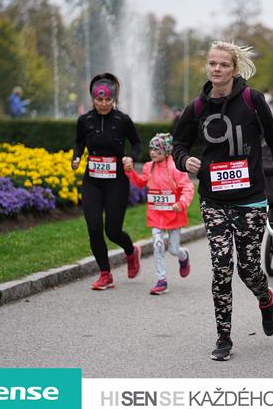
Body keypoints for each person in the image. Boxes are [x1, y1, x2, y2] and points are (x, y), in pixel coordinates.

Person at [172, 41, 273, 361]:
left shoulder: (252, 100)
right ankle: (223, 337)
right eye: (212, 63)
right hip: (213, 199)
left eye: (223, 64)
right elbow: (179, 145)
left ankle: (265, 299)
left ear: (235, 69)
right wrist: (185, 160)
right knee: (221, 267)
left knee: (248, 269)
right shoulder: (197, 108)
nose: (216, 69)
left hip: (250, 199)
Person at [72, 73, 143, 290]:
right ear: (93, 99)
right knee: (94, 228)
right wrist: (76, 157)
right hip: (92, 181)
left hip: (116, 181)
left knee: (112, 231)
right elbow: (79, 142)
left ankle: (131, 251)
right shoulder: (85, 120)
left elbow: (137, 143)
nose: (103, 104)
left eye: (108, 99)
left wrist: (131, 157)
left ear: (114, 99)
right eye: (99, 99)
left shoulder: (122, 120)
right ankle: (105, 274)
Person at [124, 133, 193, 294]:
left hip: (173, 214)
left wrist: (181, 203)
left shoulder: (175, 168)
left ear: (166, 151)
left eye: (157, 150)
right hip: (155, 215)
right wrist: (130, 172)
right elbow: (141, 183)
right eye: (151, 149)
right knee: (158, 245)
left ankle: (184, 256)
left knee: (173, 250)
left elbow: (188, 187)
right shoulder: (149, 167)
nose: (153, 153)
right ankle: (162, 280)